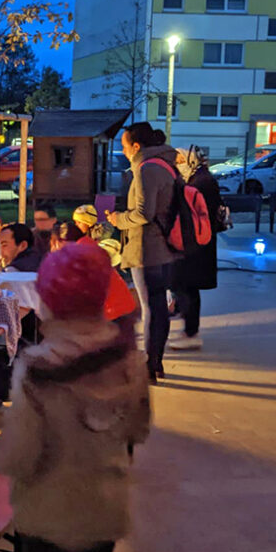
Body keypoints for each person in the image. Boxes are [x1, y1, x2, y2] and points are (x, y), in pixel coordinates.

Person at [0, 243, 150, 552]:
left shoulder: (36, 370)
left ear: (49, 302)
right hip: (104, 507)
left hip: (46, 513)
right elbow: (138, 431)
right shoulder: (130, 362)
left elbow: (21, 455)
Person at [106, 122, 179, 384]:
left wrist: (118, 219)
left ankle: (148, 367)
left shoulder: (145, 168)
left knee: (150, 308)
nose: (124, 151)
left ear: (136, 147)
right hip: (167, 248)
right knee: (160, 307)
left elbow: (143, 214)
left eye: (125, 147)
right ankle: (157, 363)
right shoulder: (166, 164)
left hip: (146, 249)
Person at [169, 147, 224, 351]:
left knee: (187, 286)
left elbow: (193, 213)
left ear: (190, 160)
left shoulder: (201, 182)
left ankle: (191, 333)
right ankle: (189, 330)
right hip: (199, 243)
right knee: (186, 286)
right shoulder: (200, 178)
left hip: (196, 244)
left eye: (180, 160)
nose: (177, 164)